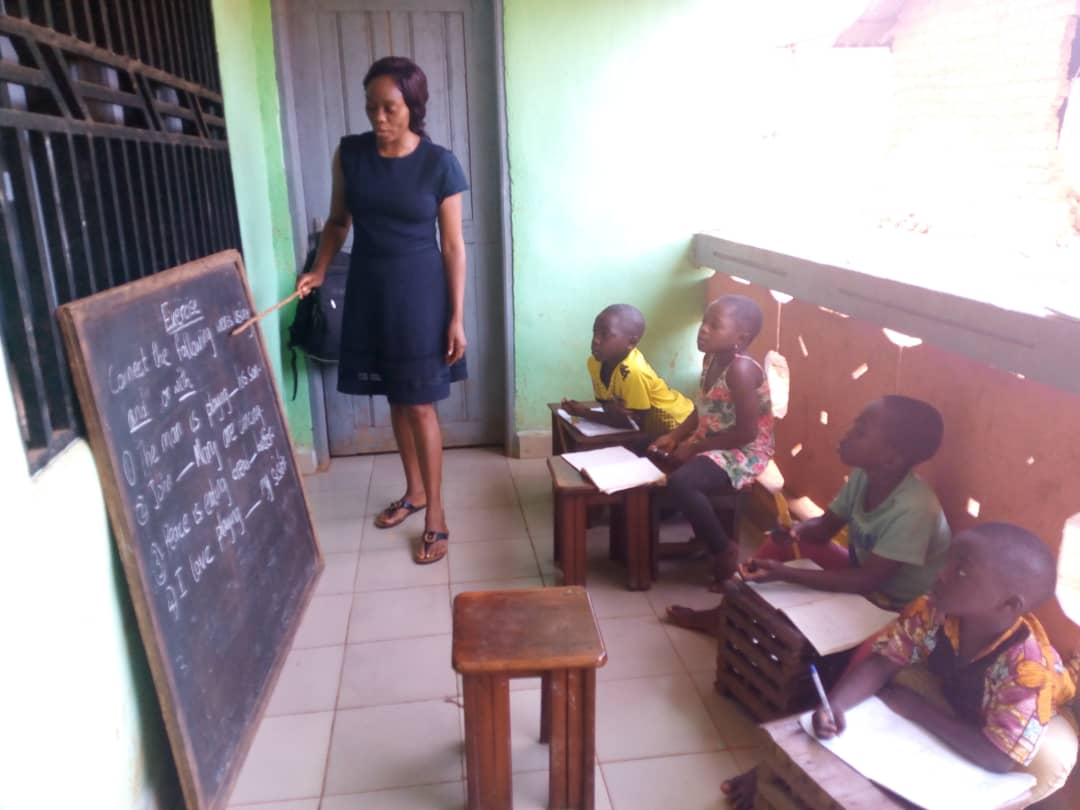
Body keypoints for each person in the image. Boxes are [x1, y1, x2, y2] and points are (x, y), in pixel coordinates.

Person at [723, 523, 1077, 809]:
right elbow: (881, 661)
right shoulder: (936, 608)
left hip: (1030, 719)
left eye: (963, 571)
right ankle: (795, 768)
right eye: (949, 562)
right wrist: (835, 706)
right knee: (873, 695)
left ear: (1007, 605)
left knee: (1041, 767)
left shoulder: (1030, 672)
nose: (941, 574)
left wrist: (915, 709)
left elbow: (1000, 758)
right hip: (962, 690)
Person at [296, 56, 467, 565]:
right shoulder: (350, 154)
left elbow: (454, 247)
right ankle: (413, 492)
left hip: (421, 292)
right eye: (371, 107)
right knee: (395, 397)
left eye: (389, 107)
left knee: (420, 403)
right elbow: (337, 222)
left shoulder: (439, 163)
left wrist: (456, 316)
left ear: (412, 107)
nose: (378, 117)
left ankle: (435, 513)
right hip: (369, 287)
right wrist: (321, 270)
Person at [666, 395, 950, 632]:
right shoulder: (865, 478)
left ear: (892, 457)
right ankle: (725, 615)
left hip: (898, 606)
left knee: (861, 658)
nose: (847, 433)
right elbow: (824, 529)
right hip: (864, 580)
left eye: (861, 431)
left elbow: (866, 580)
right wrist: (794, 532)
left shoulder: (915, 510)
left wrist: (785, 574)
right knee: (785, 545)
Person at [646, 295, 775, 587]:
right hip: (713, 439)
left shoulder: (741, 371)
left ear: (740, 338)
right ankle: (651, 535)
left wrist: (693, 447)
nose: (703, 329)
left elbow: (747, 433)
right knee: (650, 449)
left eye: (714, 325)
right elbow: (703, 408)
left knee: (683, 481)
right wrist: (674, 436)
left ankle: (722, 549)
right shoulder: (711, 359)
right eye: (704, 321)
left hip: (742, 450)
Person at [561, 303, 693, 437]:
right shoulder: (594, 363)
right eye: (595, 332)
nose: (595, 340)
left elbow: (631, 424)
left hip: (679, 424)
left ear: (631, 343)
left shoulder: (634, 372)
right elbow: (607, 405)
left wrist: (584, 413)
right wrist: (612, 409)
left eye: (605, 335)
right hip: (650, 427)